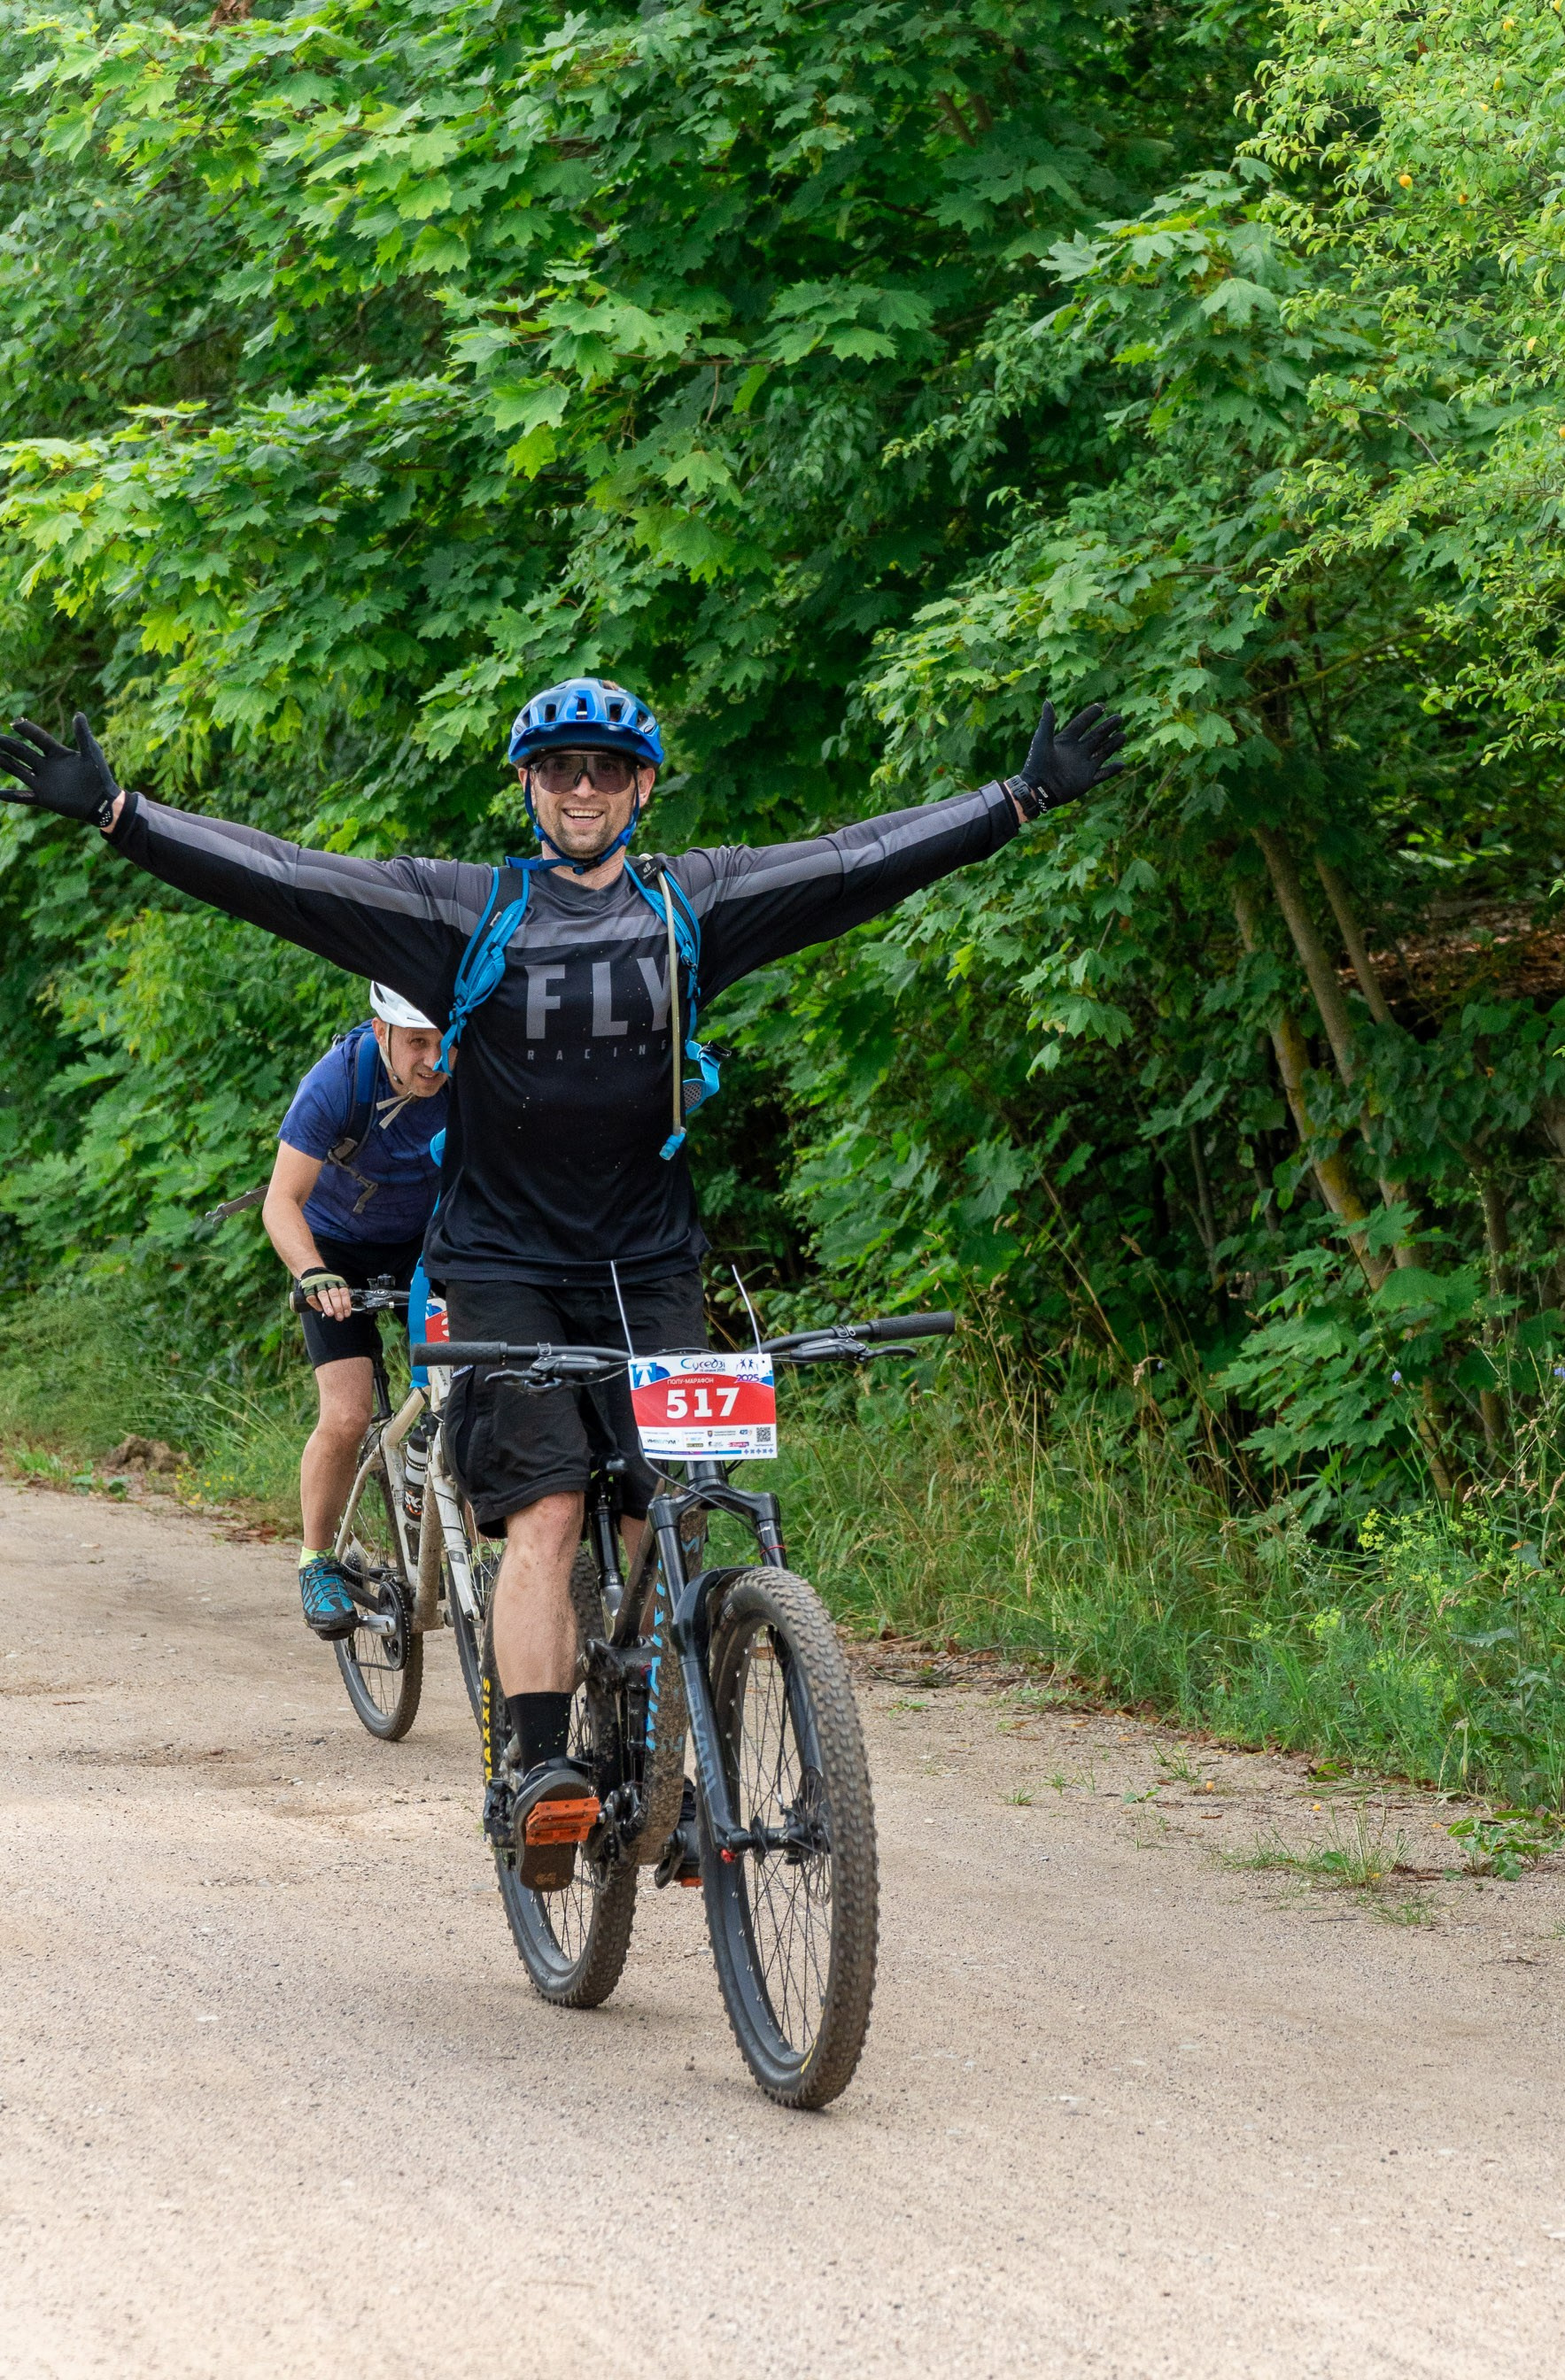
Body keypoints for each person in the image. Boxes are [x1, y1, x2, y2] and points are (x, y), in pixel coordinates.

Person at [0, 684, 1126, 1880]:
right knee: (542, 1513)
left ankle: (654, 1771)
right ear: (528, 790)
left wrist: (1022, 796)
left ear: (642, 787)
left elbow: (859, 862)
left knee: (666, 1513)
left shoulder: (693, 904)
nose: (579, 787)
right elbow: (287, 878)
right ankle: (541, 1773)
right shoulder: (461, 910)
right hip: (501, 1268)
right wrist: (122, 814)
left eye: (603, 768)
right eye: (556, 770)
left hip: (649, 1265)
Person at [264, 984, 450, 1640]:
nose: (434, 1060)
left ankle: (434, 1468)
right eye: (417, 1044)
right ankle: (318, 1560)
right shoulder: (338, 1083)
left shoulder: (472, 1074)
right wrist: (313, 1273)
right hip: (335, 1250)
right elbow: (281, 1202)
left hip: (431, 1241)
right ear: (381, 1033)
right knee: (345, 1414)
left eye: (443, 1041)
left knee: (469, 1391)